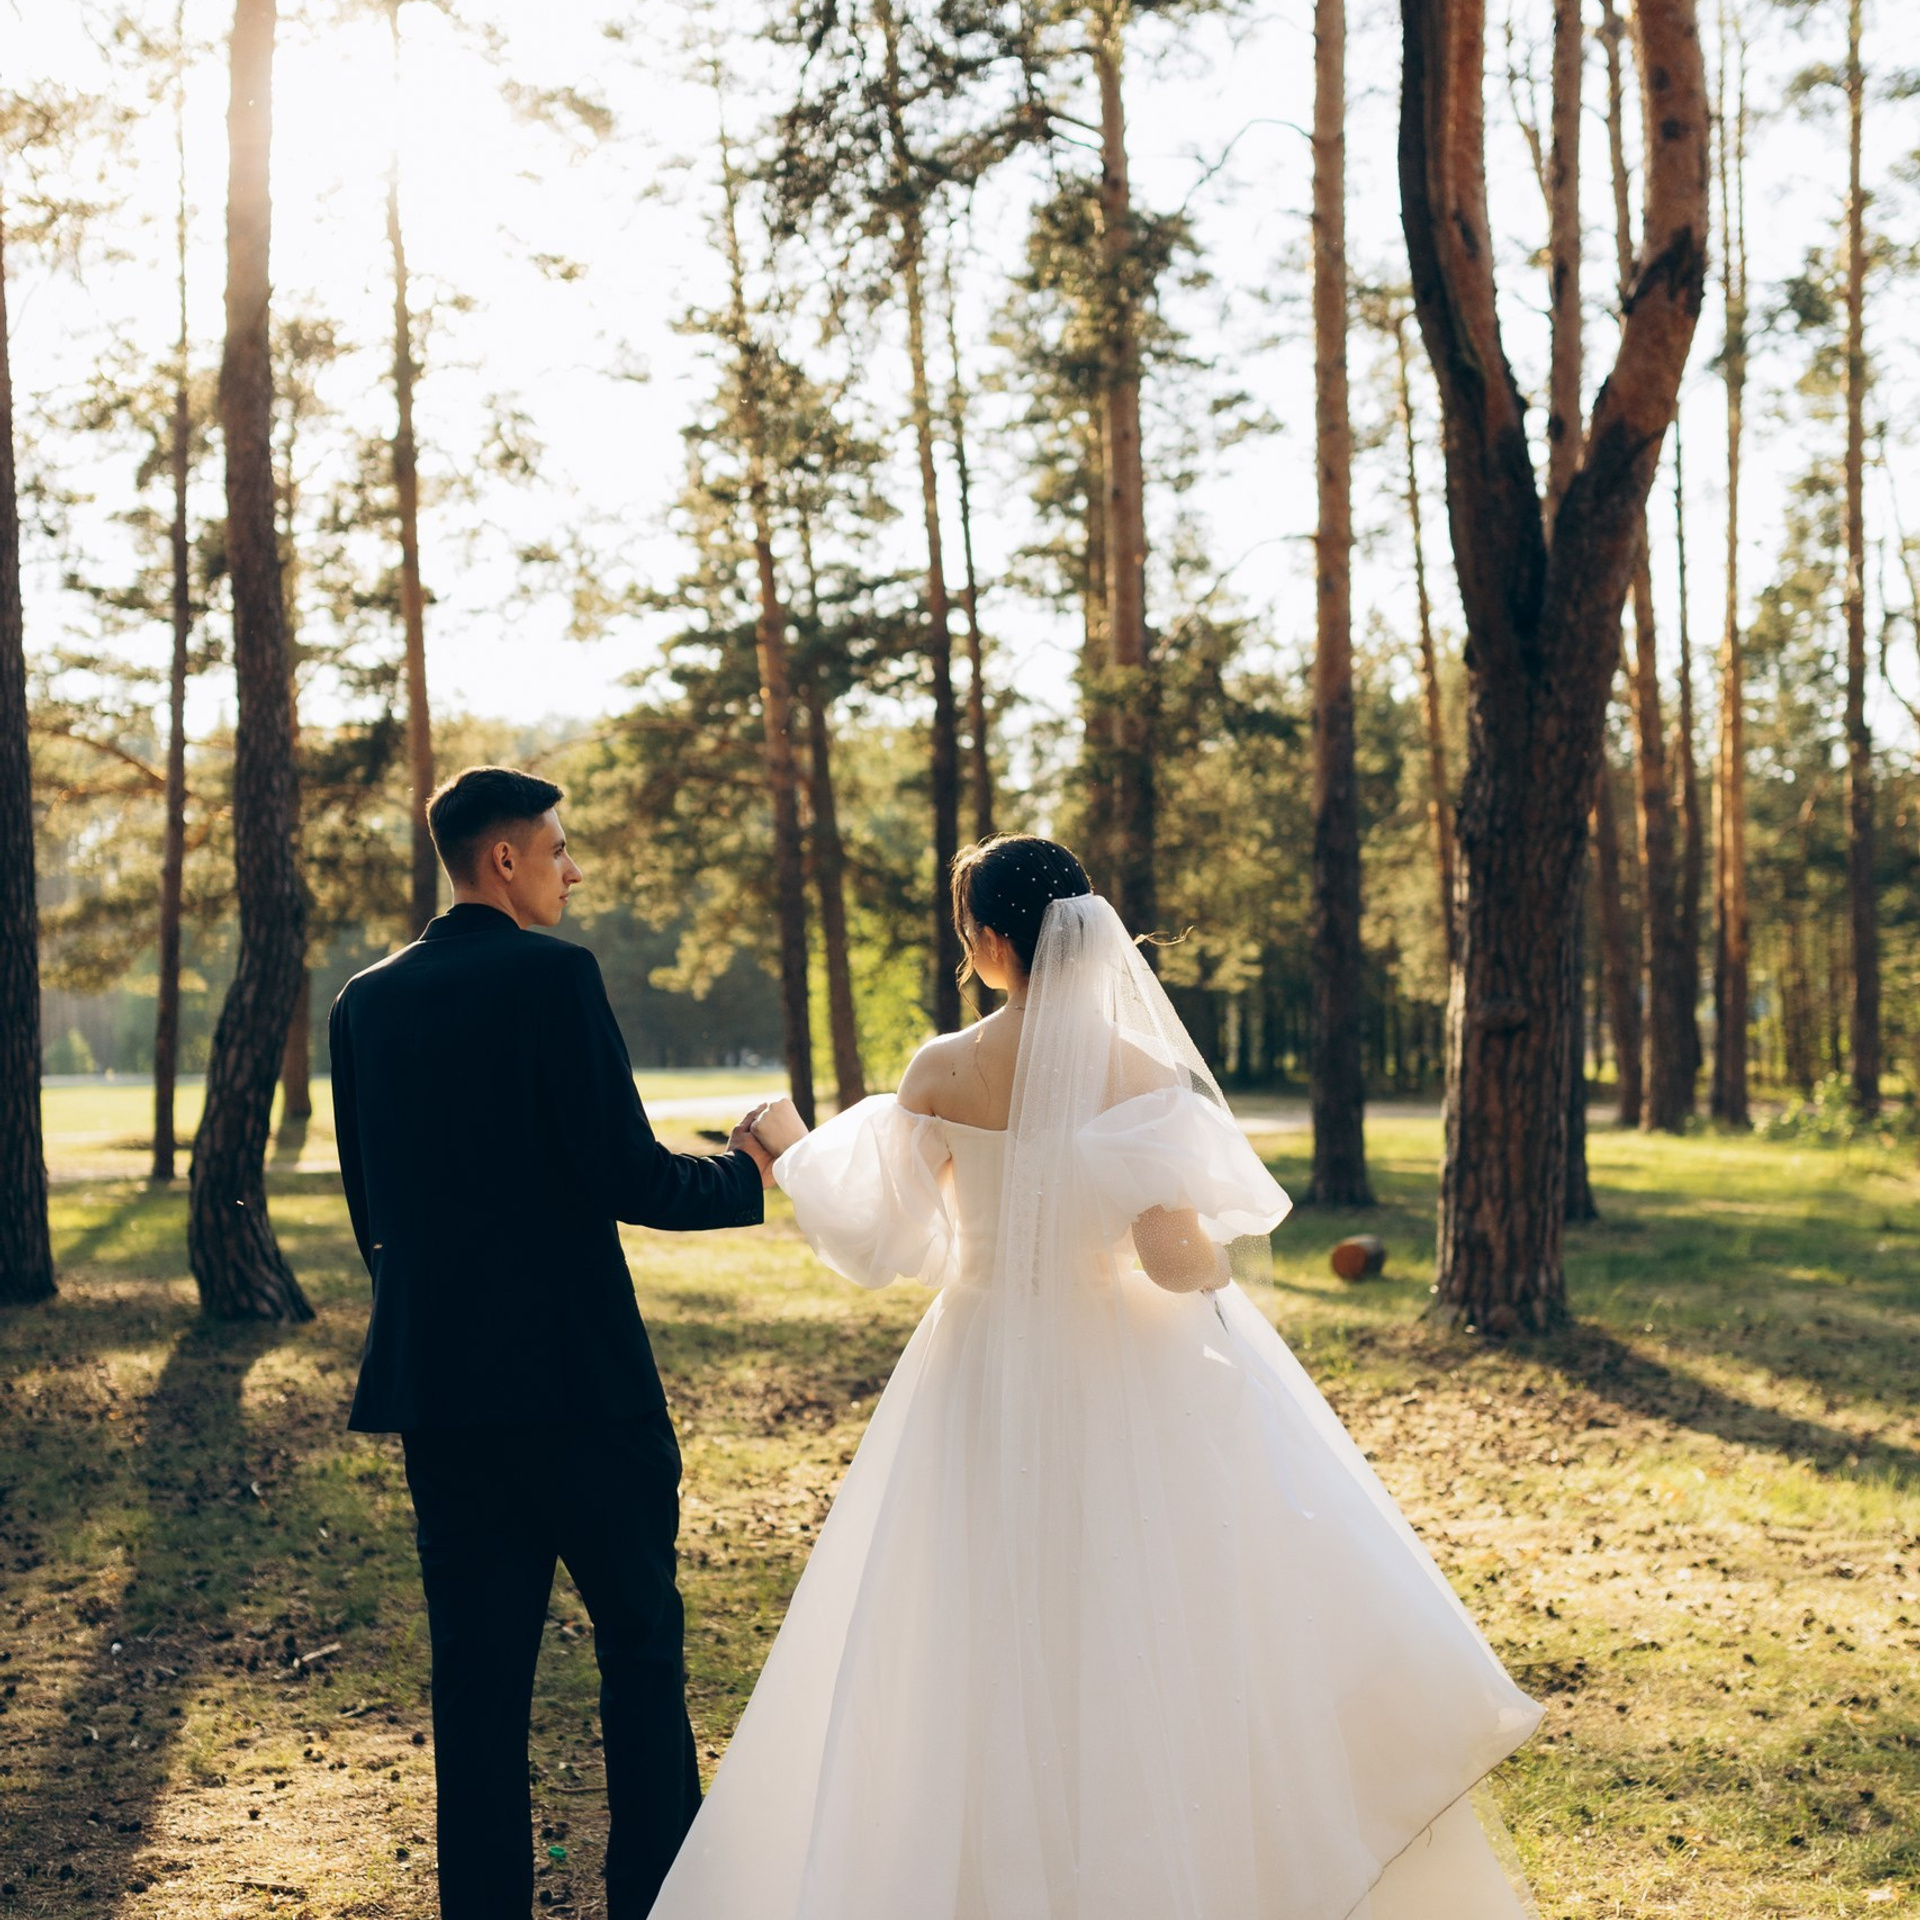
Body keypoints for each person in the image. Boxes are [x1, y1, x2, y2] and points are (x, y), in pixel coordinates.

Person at [649, 833, 1543, 1920]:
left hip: (975, 1362)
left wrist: (792, 1150)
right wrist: (1201, 1250)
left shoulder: (943, 1066)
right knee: (1139, 1613)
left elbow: (880, 1235)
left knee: (970, 1616)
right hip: (1120, 1364)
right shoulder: (1141, 1072)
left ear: (987, 941)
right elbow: (1174, 1263)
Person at [327, 765, 774, 1920]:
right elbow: (626, 1174)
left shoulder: (363, 1003)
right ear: (507, 860)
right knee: (639, 1653)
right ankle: (653, 1902)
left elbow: (372, 1213)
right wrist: (748, 1173)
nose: (575, 869)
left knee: (477, 1689)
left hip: (442, 1394)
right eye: (561, 849)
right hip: (583, 1389)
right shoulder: (554, 977)